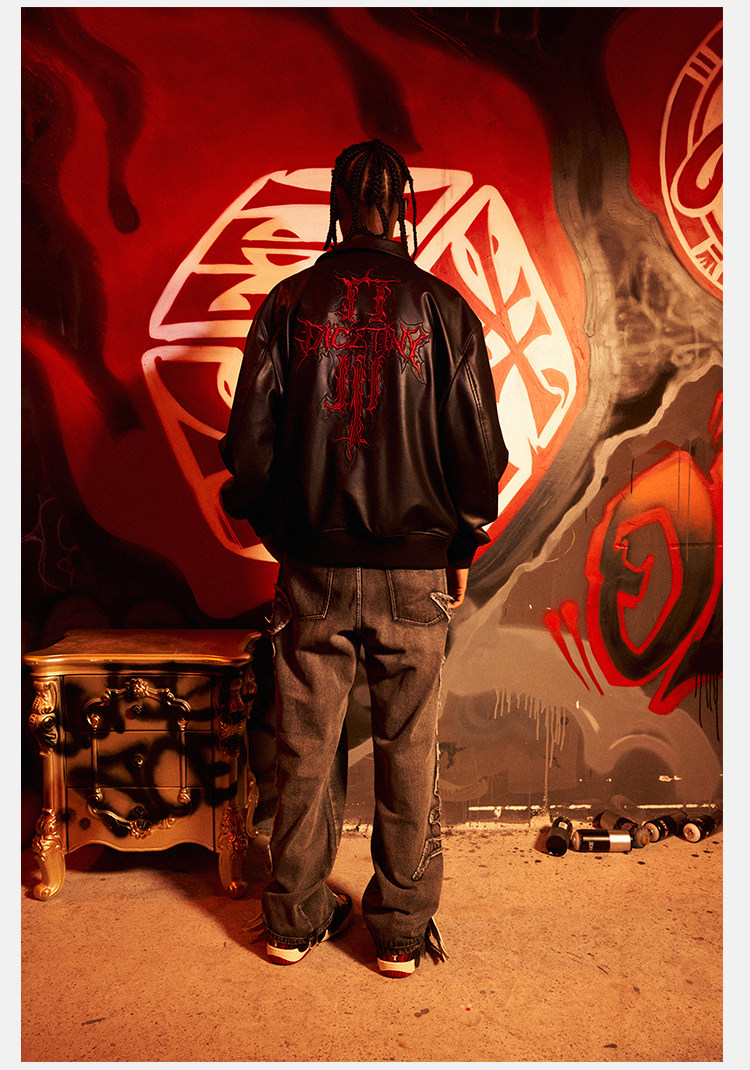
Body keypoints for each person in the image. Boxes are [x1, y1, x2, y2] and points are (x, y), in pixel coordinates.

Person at [219, 139, 508, 977]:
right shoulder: (444, 310)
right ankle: (399, 936)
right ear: (402, 207)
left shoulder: (287, 303)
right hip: (415, 570)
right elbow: (479, 455)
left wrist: (288, 534)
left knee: (306, 748)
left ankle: (293, 921)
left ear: (338, 206)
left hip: (312, 566)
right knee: (410, 749)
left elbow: (249, 452)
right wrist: (463, 541)